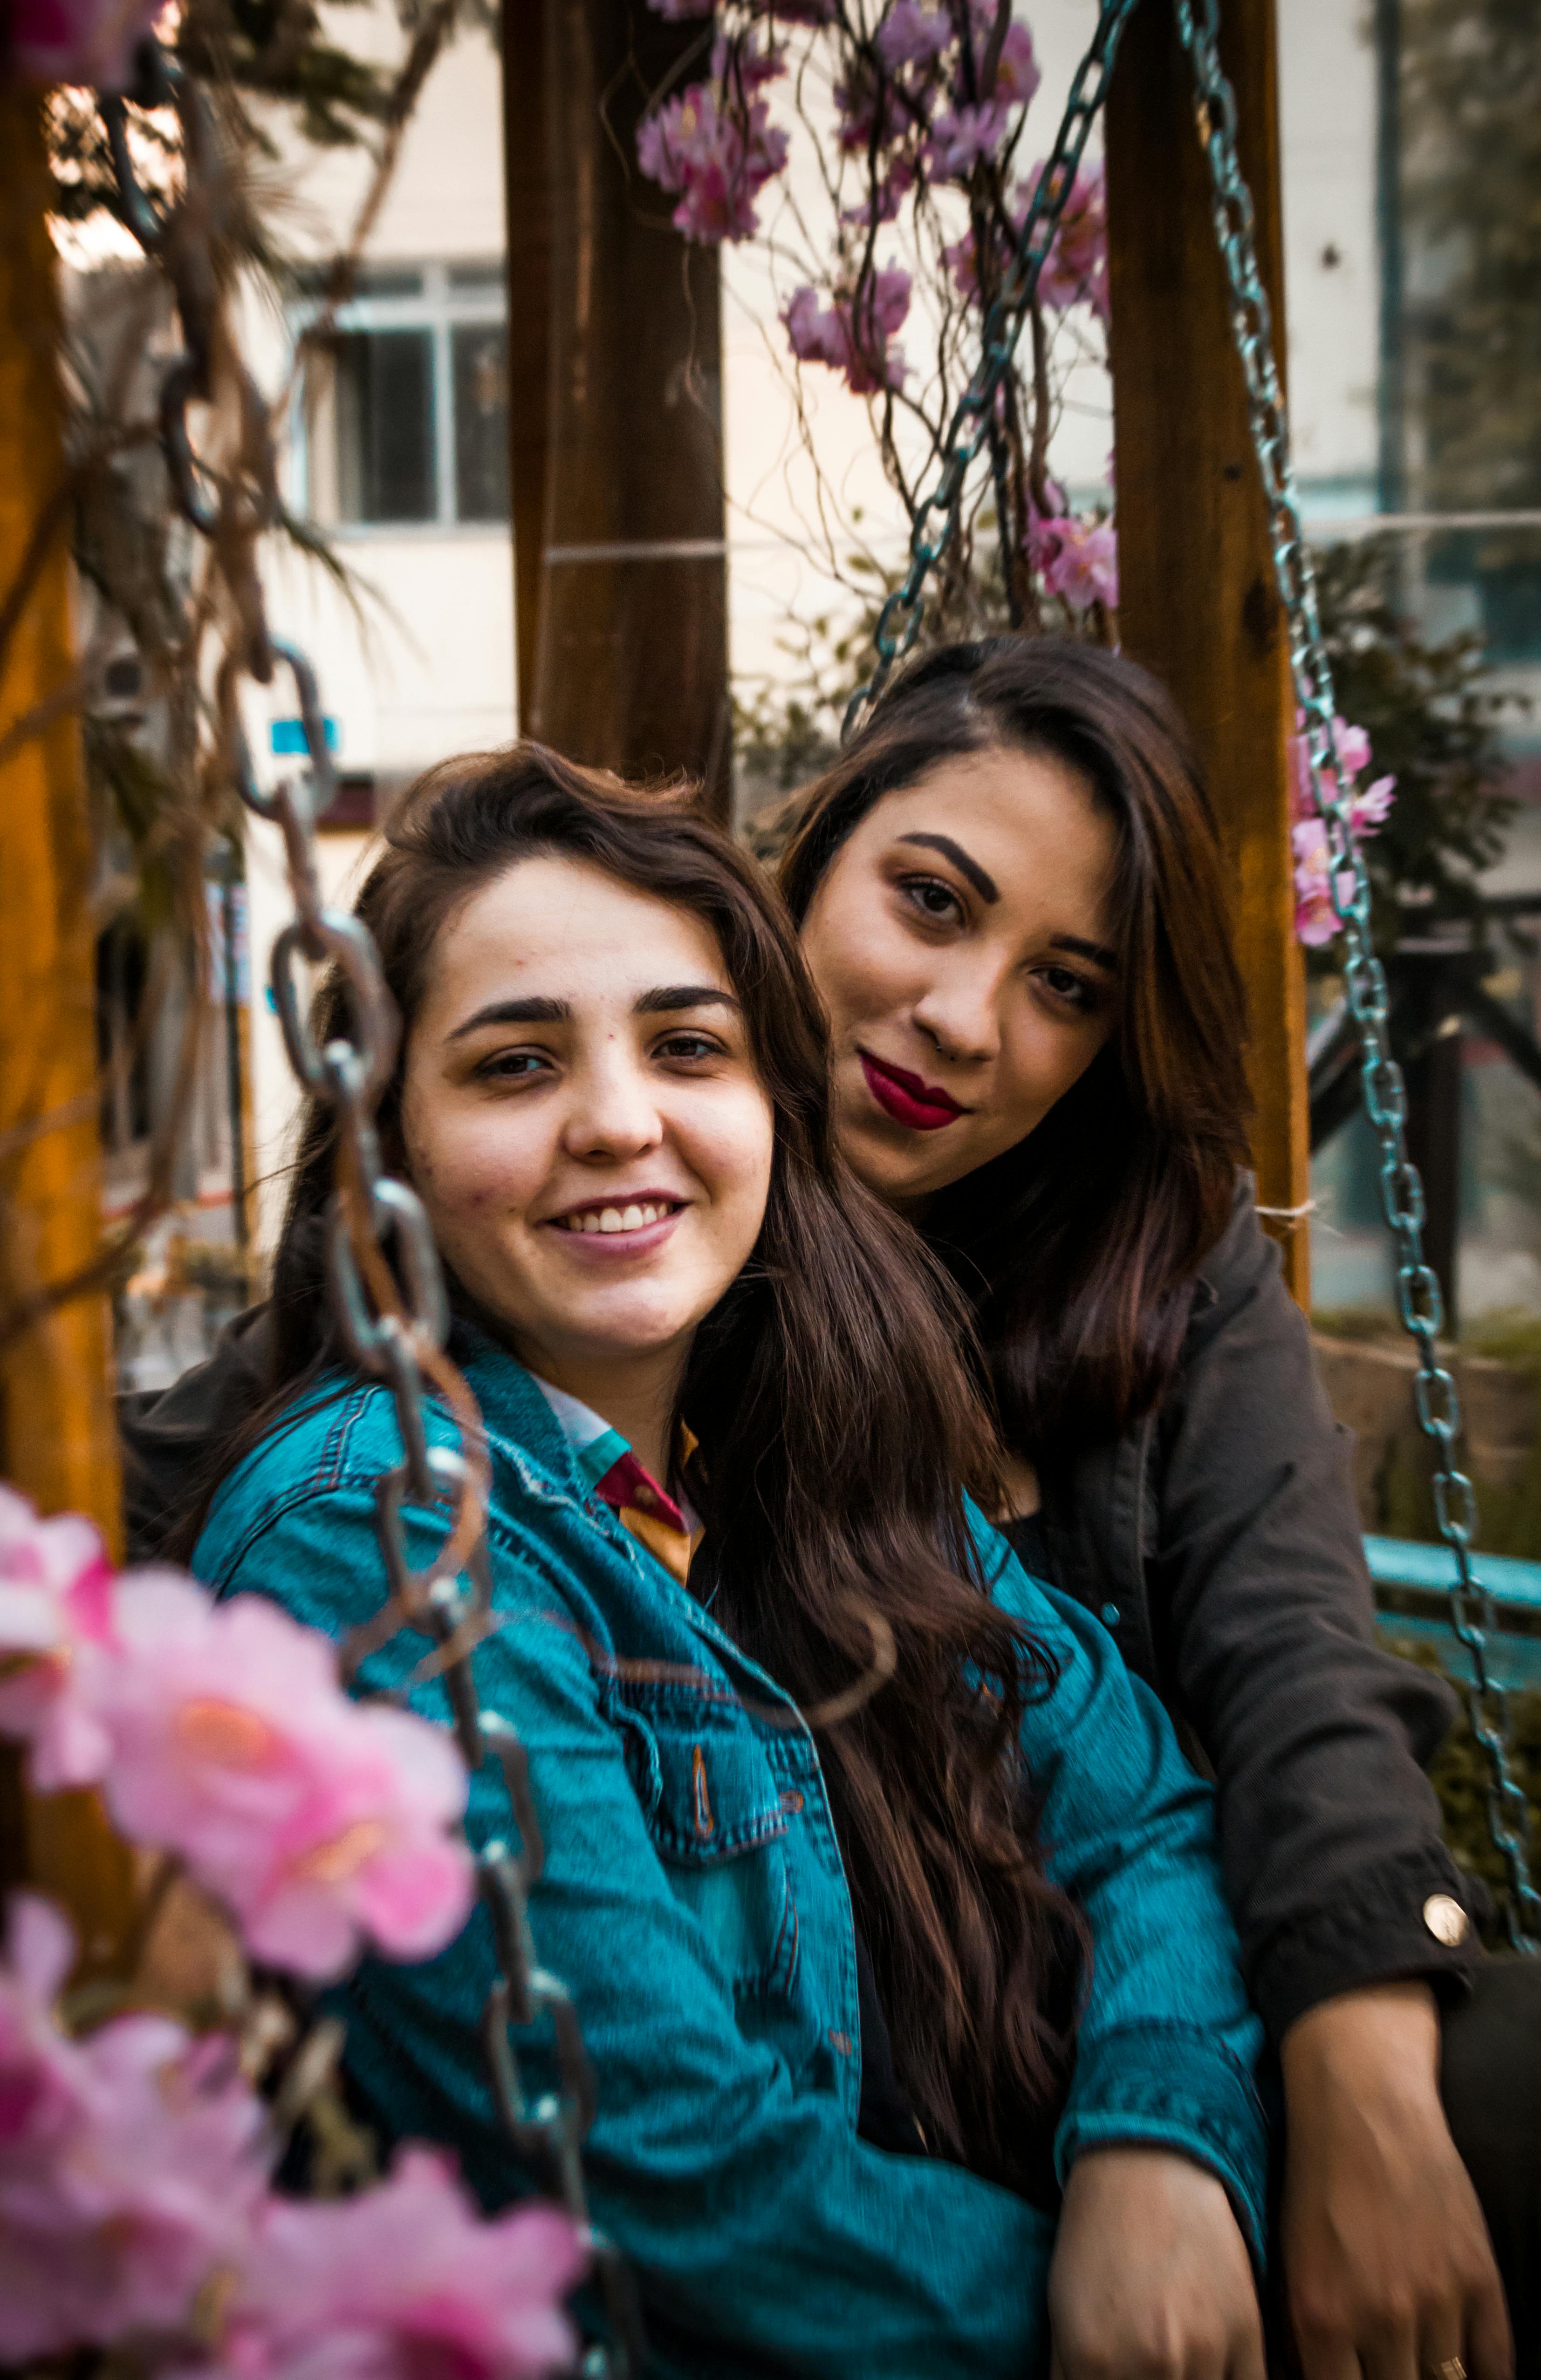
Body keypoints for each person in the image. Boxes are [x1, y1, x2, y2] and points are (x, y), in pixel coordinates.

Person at [166, 745, 1270, 2380]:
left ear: (771, 1107)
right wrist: (1118, 2322)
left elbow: (1145, 1809)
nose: (622, 1123)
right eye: (515, 1066)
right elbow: (676, 2174)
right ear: (384, 1144)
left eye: (689, 1048)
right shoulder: (380, 1533)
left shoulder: (796, 1461)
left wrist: (1163, 2153)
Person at [779, 634, 1541, 2380]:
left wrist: (1363, 2089)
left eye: (1067, 986)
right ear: (814, 847)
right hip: (858, 2113)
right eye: (930, 902)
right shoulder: (645, 1229)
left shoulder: (1158, 1263)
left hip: (1171, 2025)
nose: (965, 1020)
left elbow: (1290, 1664)